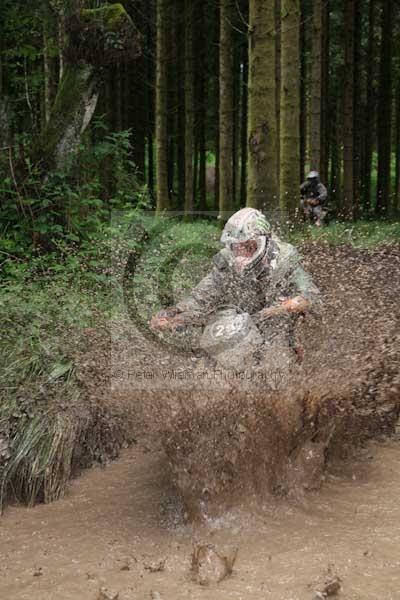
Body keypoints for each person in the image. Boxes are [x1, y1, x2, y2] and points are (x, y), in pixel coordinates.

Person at [150, 208, 320, 370]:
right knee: (214, 337)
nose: (241, 254)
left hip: (279, 319)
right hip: (245, 319)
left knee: (278, 350)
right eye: (236, 247)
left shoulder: (284, 261)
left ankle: (292, 377)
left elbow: (310, 293)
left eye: (248, 247)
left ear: (263, 242)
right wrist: (174, 312)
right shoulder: (226, 264)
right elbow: (200, 298)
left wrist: (298, 301)